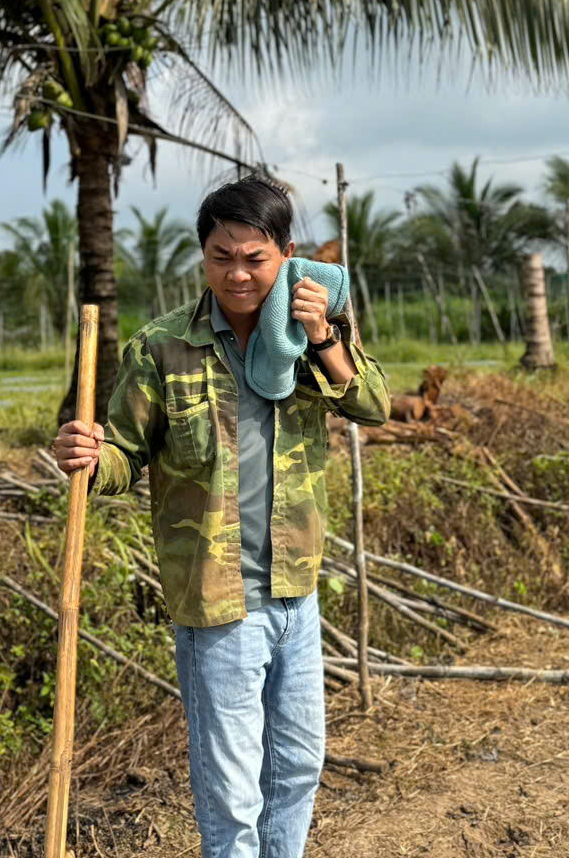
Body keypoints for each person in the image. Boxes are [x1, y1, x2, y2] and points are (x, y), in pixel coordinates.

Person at [54, 175, 390, 858]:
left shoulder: (310, 332)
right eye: (221, 257)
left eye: (254, 258)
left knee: (297, 769)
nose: (238, 274)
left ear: (286, 254)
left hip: (296, 593)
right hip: (218, 602)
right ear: (203, 255)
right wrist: (89, 457)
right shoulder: (162, 347)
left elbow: (373, 406)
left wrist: (324, 336)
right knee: (231, 795)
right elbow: (124, 456)